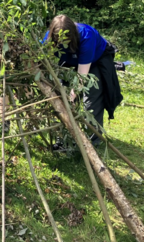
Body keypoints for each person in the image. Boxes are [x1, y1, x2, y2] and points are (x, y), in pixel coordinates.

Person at [43, 15, 123, 146]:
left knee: (91, 99)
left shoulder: (87, 36)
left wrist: (73, 95)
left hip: (95, 62)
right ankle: (63, 138)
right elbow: (42, 57)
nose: (63, 43)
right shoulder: (49, 37)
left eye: (66, 40)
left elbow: (82, 76)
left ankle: (92, 140)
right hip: (68, 62)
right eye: (60, 40)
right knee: (60, 97)